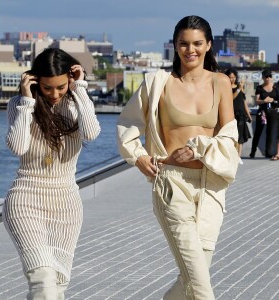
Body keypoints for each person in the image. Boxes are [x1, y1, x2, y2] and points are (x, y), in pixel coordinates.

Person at [117, 15, 239, 300]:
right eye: (183, 44)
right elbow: (128, 123)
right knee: (201, 286)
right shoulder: (157, 82)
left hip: (211, 187)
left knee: (193, 277)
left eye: (197, 43)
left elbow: (231, 138)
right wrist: (138, 157)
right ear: (175, 46)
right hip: (172, 184)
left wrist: (199, 148)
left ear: (209, 45)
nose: (190, 50)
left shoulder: (220, 83)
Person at [3, 48, 100, 299]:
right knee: (42, 279)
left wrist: (79, 89)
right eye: (47, 88)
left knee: (57, 286)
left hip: (66, 203)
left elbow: (91, 132)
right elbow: (18, 147)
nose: (54, 94)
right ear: (35, 81)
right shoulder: (19, 104)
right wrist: (27, 102)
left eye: (61, 87)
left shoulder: (75, 102)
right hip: (25, 199)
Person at [249, 69, 277, 158]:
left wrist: (273, 100)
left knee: (270, 132)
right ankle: (253, 151)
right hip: (262, 112)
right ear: (263, 78)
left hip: (273, 112)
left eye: (270, 77)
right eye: (266, 77)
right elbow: (257, 101)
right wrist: (264, 101)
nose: (268, 79)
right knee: (258, 132)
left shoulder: (275, 87)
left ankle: (268, 152)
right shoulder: (260, 88)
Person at [225, 68, 252, 157]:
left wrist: (248, 114)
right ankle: (232, 153)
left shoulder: (239, 87)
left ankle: (238, 155)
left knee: (240, 136)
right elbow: (230, 98)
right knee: (232, 135)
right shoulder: (226, 87)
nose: (232, 79)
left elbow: (244, 101)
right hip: (231, 114)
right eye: (230, 77)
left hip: (241, 114)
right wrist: (239, 89)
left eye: (233, 77)